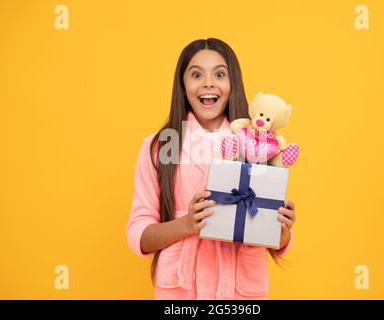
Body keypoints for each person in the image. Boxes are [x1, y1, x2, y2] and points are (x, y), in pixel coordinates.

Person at [126, 38, 296, 299]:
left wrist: (282, 229)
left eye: (219, 74)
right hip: (180, 294)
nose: (208, 83)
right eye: (196, 74)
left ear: (232, 84)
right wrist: (187, 224)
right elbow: (139, 234)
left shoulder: (258, 146)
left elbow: (277, 240)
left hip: (240, 294)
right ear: (183, 87)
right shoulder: (158, 146)